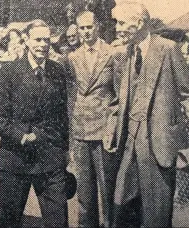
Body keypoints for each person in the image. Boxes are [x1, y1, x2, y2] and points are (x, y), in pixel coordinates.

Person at [106, 2, 189, 227]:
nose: (117, 28)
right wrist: (112, 130)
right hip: (129, 142)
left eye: (122, 23)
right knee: (121, 209)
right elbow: (120, 98)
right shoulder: (125, 52)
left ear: (139, 23)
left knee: (157, 217)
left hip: (159, 144)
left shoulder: (168, 48)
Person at [0, 20, 69, 227]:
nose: (43, 45)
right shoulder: (8, 72)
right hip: (15, 159)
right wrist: (22, 135)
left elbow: (61, 116)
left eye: (47, 40)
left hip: (50, 159)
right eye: (38, 39)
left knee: (58, 221)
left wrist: (64, 150)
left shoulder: (57, 71)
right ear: (26, 41)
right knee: (9, 221)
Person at [68, 11, 117, 227]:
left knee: (108, 188)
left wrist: (112, 127)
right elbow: (72, 94)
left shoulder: (113, 53)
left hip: (104, 129)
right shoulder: (72, 57)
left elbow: (118, 95)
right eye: (81, 28)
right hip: (81, 130)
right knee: (85, 192)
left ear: (97, 26)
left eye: (89, 27)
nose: (86, 32)